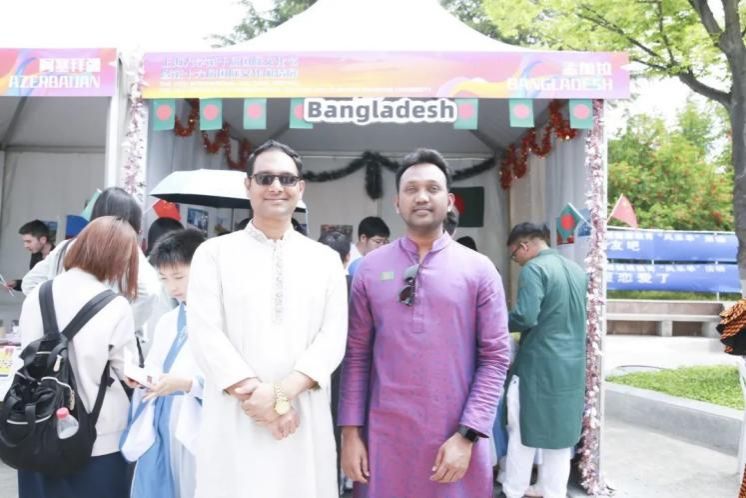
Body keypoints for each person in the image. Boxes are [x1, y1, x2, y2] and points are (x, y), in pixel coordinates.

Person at [339, 148, 511, 498]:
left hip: (453, 439)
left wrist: (468, 434)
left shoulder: (479, 270)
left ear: (449, 201)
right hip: (383, 441)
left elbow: (495, 358)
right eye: (411, 189)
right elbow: (356, 356)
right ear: (396, 203)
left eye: (432, 188)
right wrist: (350, 433)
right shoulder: (370, 270)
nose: (421, 197)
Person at [187, 140, 348, 498]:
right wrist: (268, 405)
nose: (276, 186)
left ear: (300, 188)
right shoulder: (213, 254)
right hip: (236, 416)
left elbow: (332, 338)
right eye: (265, 178)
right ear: (248, 185)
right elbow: (205, 334)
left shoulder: (324, 260)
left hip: (301, 417)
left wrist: (280, 397)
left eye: (287, 179)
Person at [16, 216, 139, 498]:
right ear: (117, 259)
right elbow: (128, 372)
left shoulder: (37, 295)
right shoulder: (115, 306)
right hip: (96, 438)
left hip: (35, 429)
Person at [501, 222, 587, 498]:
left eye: (514, 254)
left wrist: (494, 321)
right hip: (572, 367)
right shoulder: (577, 271)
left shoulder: (534, 269)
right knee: (559, 435)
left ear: (524, 246)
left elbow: (525, 316)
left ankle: (513, 490)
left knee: (521, 430)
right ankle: (552, 490)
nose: (516, 260)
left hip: (538, 365)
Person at [125, 229, 206, 498]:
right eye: (164, 278)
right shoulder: (168, 321)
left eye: (179, 277)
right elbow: (155, 365)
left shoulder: (223, 319)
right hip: (165, 417)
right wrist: (142, 379)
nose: (172, 288)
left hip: (201, 420)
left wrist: (187, 384)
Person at [22, 187, 160, 331]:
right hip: (107, 340)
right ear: (131, 223)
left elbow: (30, 283)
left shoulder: (66, 247)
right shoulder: (128, 251)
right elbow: (149, 293)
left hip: (61, 340)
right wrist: (119, 328)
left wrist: (56, 317)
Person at [4, 220, 55, 292]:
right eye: (24, 242)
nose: (25, 246)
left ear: (43, 240)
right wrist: (16, 283)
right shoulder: (35, 255)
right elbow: (34, 282)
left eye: (29, 241)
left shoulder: (58, 258)